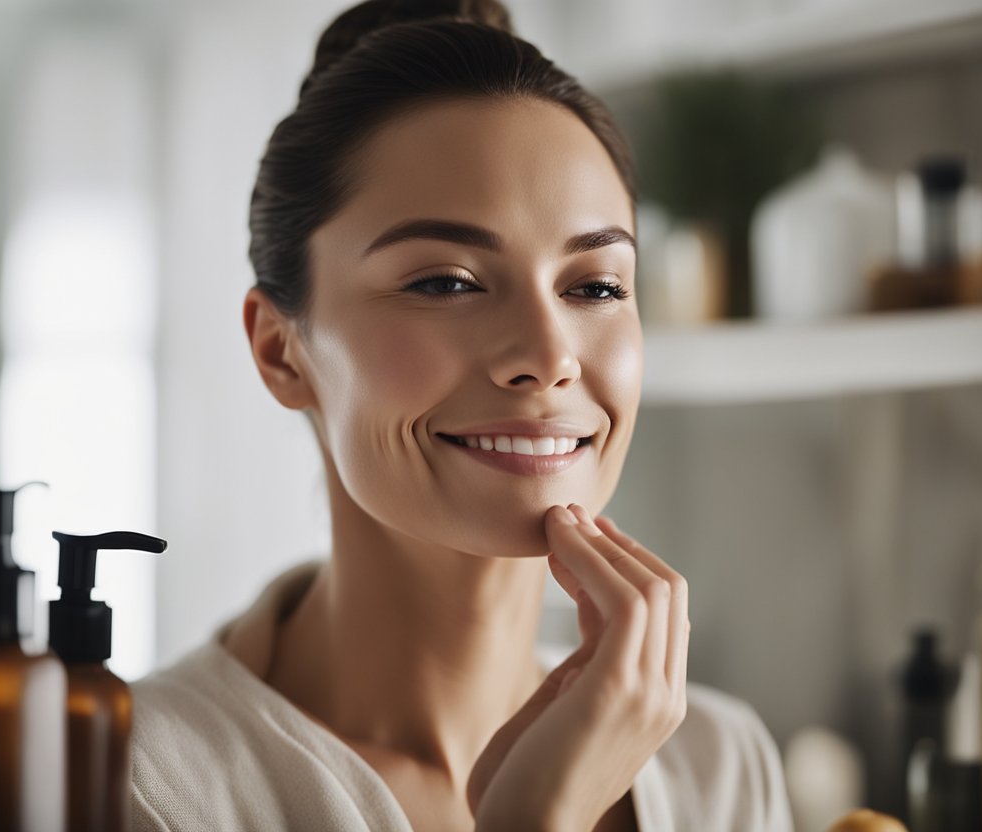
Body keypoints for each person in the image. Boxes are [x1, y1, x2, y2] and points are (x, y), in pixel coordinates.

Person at [131, 1, 794, 830]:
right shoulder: (121, 786)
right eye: (445, 282)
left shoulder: (720, 770)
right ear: (281, 350)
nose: (549, 356)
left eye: (595, 286)